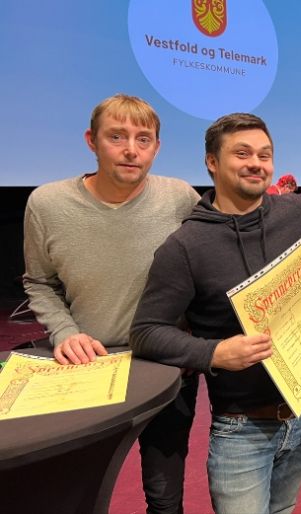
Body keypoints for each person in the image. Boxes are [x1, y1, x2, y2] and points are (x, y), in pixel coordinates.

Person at [129, 112, 301, 514]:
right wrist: (214, 353)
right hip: (241, 432)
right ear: (212, 162)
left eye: (265, 155)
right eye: (242, 153)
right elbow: (146, 331)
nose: (256, 163)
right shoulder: (185, 247)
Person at [22, 93, 201, 514]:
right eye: (116, 136)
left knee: (165, 498)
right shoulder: (46, 205)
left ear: (157, 147)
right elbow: (39, 282)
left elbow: (207, 269)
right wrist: (65, 332)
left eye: (143, 139)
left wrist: (195, 337)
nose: (131, 150)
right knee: (77, 494)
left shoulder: (181, 198)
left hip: (167, 366)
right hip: (87, 368)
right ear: (92, 141)